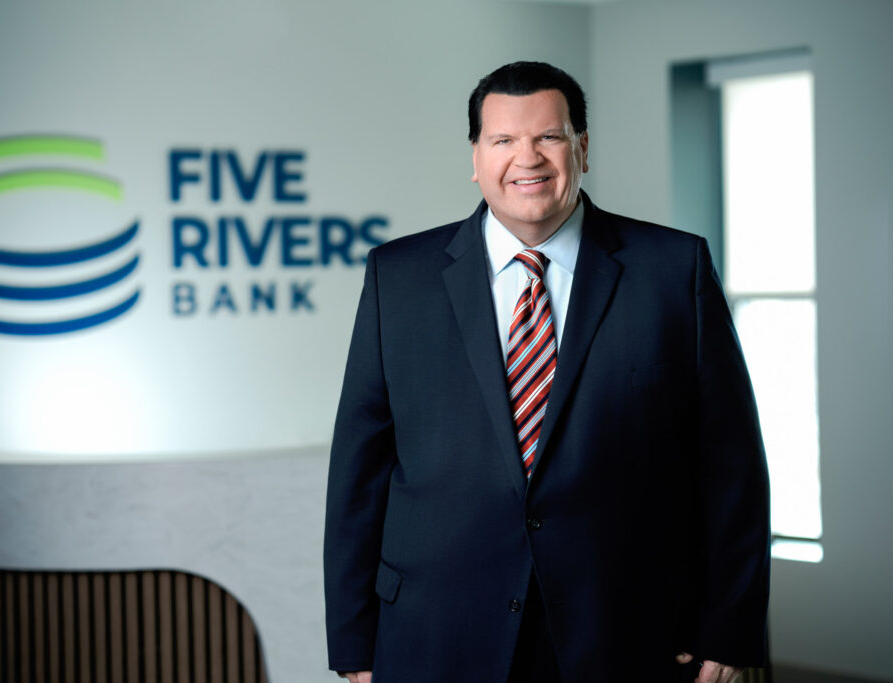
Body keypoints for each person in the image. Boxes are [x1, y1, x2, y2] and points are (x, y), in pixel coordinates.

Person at [323, 61, 770, 683]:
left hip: (628, 630)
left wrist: (728, 624)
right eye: (503, 140)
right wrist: (352, 641)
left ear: (582, 149)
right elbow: (359, 470)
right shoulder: (398, 277)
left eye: (548, 137)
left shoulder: (673, 269)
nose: (526, 158)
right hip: (436, 633)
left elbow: (731, 467)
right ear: (475, 156)